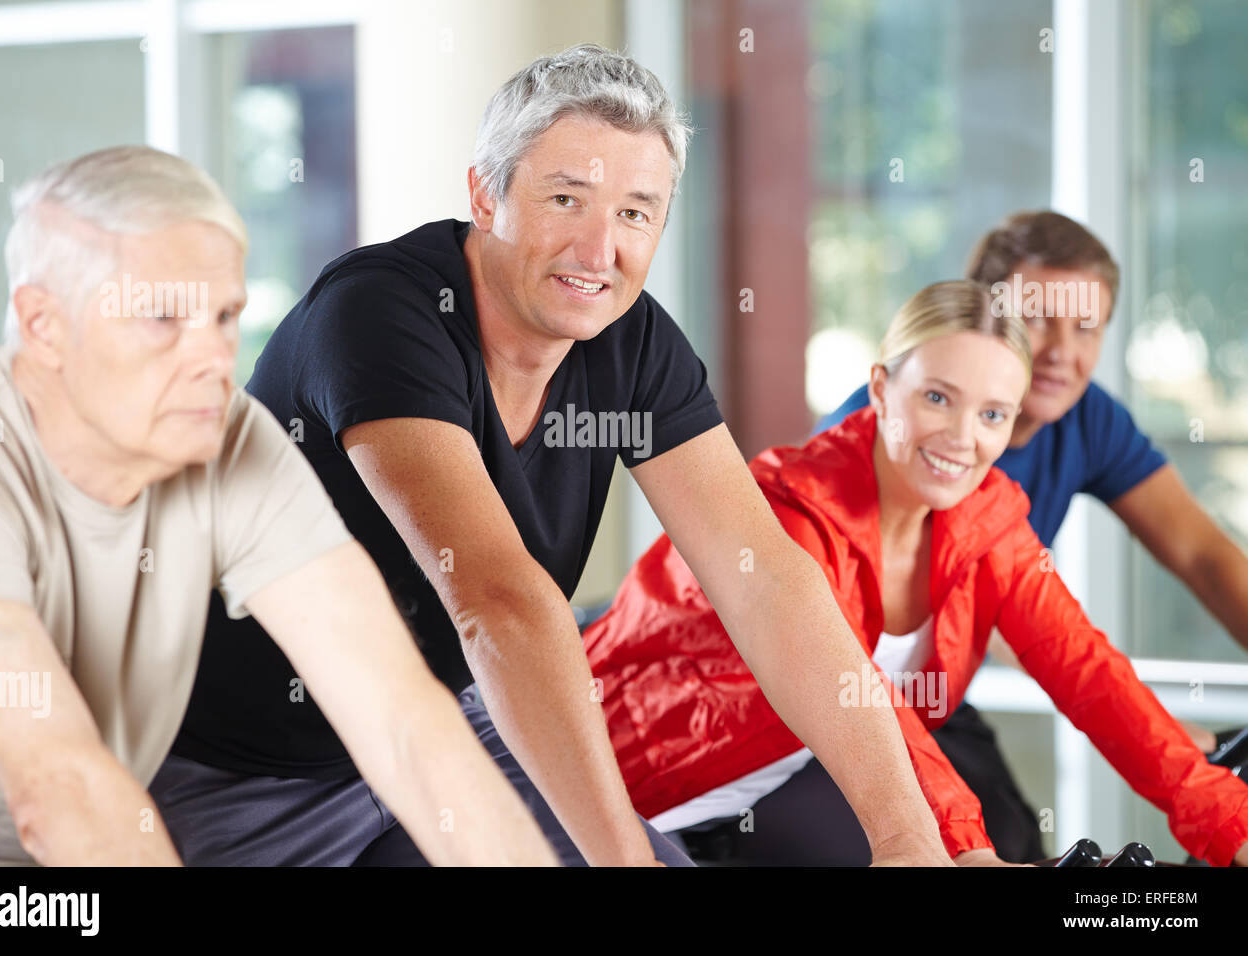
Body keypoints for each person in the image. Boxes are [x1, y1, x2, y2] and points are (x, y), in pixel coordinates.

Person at [154, 43, 954, 867]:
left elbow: (765, 581)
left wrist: (907, 840)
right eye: (566, 198)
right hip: (245, 772)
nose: (598, 249)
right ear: (485, 195)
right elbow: (494, 598)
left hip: (438, 731)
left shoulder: (630, 341)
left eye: (636, 213)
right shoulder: (379, 314)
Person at [0, 145, 558, 867]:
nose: (212, 357)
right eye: (162, 319)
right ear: (44, 325)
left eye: (224, 317)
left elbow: (405, 721)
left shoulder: (224, 438)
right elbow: (61, 789)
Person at [584, 280, 1248, 867]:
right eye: (937, 397)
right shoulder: (792, 513)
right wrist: (966, 844)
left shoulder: (986, 522)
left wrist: (1226, 821)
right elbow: (861, 693)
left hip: (766, 784)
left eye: (992, 415)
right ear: (879, 387)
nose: (963, 437)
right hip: (618, 784)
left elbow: (1088, 672)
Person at [817, 211, 1248, 861]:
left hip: (932, 694)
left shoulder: (1085, 417)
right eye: (1037, 320)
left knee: (1016, 838)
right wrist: (1165, 736)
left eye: (1085, 329)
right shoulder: (893, 438)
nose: (1059, 353)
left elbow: (1201, 555)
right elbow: (1001, 628)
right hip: (828, 698)